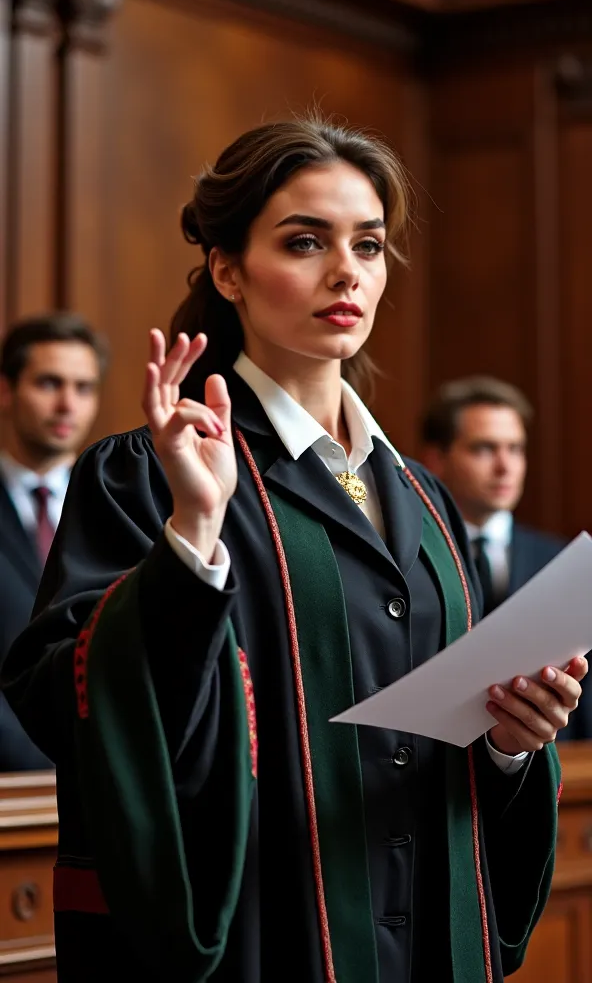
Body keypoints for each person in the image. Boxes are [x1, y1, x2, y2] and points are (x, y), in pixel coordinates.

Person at [1, 119, 584, 983]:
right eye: (306, 241)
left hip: (424, 942)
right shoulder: (148, 473)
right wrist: (193, 542)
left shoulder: (425, 499)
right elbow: (68, 705)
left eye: (370, 244)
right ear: (228, 270)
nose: (347, 269)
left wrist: (508, 743)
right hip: (268, 940)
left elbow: (442, 735)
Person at [420, 376, 589, 740]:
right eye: (484, 449)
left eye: (515, 449)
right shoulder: (410, 559)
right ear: (436, 460)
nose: (504, 466)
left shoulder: (562, 562)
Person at [0, 313, 108, 770]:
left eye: (83, 388)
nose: (68, 404)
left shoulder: (119, 510)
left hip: (108, 783)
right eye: (49, 383)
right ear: (6, 390)